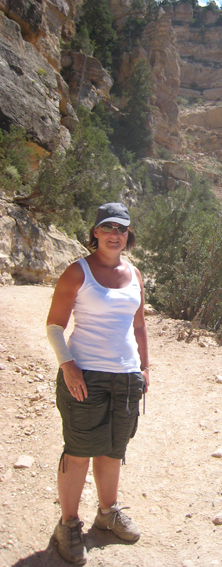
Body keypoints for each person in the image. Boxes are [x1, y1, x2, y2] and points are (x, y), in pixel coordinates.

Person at [46, 202, 150, 565]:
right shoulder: (77, 272)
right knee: (78, 451)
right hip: (85, 375)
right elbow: (54, 326)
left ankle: (107, 513)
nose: (114, 234)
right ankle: (68, 525)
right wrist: (68, 366)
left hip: (126, 375)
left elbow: (138, 326)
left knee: (112, 450)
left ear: (127, 235)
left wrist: (145, 368)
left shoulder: (134, 274)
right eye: (107, 227)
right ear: (95, 233)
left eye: (120, 229)